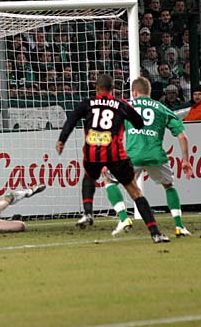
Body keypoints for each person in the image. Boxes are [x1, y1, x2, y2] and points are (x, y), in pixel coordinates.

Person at [56, 74, 170, 243]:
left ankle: (88, 212)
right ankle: (155, 233)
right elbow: (139, 123)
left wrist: (62, 140)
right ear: (113, 89)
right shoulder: (120, 105)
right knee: (135, 192)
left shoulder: (87, 104)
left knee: (89, 176)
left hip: (93, 152)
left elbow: (71, 121)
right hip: (116, 155)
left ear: (96, 88)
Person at [101, 77, 193, 237]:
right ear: (149, 92)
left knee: (109, 181)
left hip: (132, 155)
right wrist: (185, 160)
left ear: (134, 92)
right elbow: (183, 136)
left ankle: (123, 218)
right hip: (156, 155)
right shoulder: (162, 108)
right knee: (169, 186)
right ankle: (179, 226)